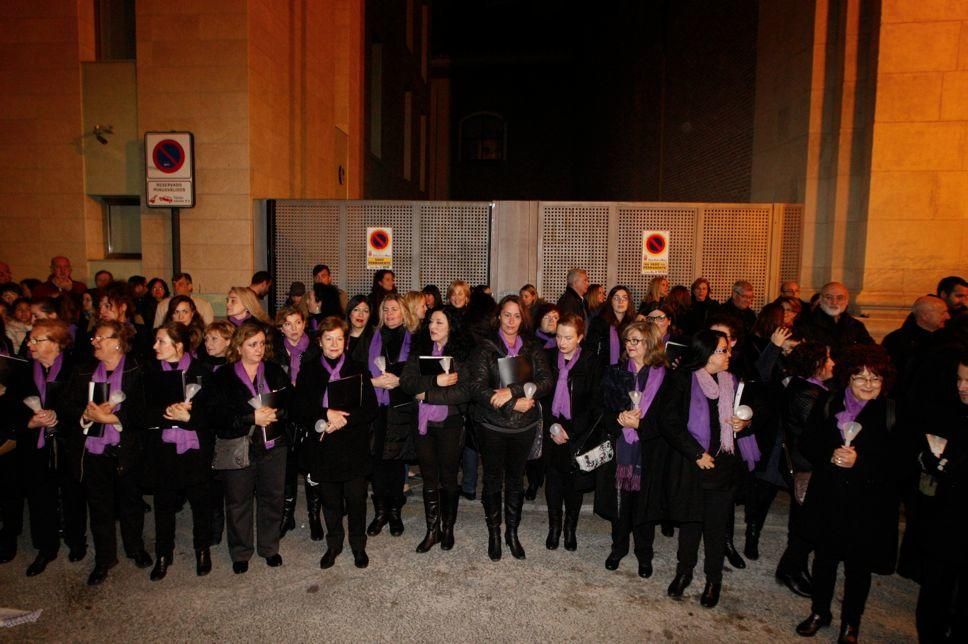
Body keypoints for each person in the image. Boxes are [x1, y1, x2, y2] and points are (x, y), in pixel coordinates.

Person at [795, 345, 899, 642]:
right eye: (860, 378)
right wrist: (829, 454)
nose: (868, 385)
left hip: (868, 503)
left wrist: (860, 462)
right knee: (824, 559)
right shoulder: (829, 403)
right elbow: (807, 443)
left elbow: (898, 460)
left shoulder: (891, 411)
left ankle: (851, 622)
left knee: (858, 567)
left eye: (875, 379)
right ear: (847, 379)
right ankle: (819, 611)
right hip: (829, 497)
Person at [661, 330, 758, 608]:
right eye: (722, 350)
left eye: (728, 350)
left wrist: (744, 424)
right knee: (691, 523)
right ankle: (684, 572)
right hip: (694, 464)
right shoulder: (683, 379)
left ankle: (714, 580)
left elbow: (749, 413)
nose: (728, 355)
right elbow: (669, 421)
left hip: (724, 464)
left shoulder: (733, 381)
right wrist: (695, 453)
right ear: (706, 354)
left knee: (716, 527)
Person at [63, 319, 150, 585]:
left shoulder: (138, 370)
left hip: (127, 449)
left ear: (117, 342)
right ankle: (104, 559)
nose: (95, 342)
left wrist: (114, 418)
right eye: (94, 338)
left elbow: (144, 411)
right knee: (99, 507)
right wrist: (87, 414)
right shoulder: (82, 371)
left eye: (100, 338)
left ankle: (135, 548)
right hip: (92, 450)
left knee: (131, 503)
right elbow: (67, 406)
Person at [467, 295, 553, 560]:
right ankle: (494, 533)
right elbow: (477, 388)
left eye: (517, 315)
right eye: (507, 315)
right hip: (492, 424)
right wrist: (510, 405)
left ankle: (511, 533)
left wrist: (514, 392)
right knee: (492, 480)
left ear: (523, 318)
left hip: (523, 427)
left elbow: (546, 380)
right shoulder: (485, 348)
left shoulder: (532, 347)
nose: (512, 321)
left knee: (516, 481)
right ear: (498, 317)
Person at [294, 317, 378, 569]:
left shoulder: (359, 368)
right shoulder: (309, 370)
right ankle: (334, 544)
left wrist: (343, 419)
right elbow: (299, 409)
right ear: (319, 342)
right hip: (323, 445)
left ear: (346, 341)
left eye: (339, 338)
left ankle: (358, 545)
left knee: (356, 499)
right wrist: (325, 414)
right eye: (328, 338)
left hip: (353, 444)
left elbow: (371, 409)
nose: (334, 344)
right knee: (330, 500)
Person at [211, 321, 290, 574]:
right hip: (238, 444)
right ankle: (241, 551)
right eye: (252, 344)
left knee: (273, 498)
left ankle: (269, 547)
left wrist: (276, 413)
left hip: (273, 444)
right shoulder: (224, 375)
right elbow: (218, 415)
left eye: (262, 344)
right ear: (239, 346)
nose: (259, 349)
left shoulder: (275, 370)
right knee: (237, 501)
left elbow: (292, 402)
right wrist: (250, 418)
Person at [143, 322, 213, 580]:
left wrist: (189, 418)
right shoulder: (150, 373)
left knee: (200, 502)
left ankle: (202, 549)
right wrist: (167, 414)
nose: (155, 346)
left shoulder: (201, 372)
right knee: (163, 503)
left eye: (161, 341)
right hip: (163, 447)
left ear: (179, 345)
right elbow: (142, 411)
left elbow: (211, 414)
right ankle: (163, 552)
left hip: (195, 448)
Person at [596, 321, 665, 575]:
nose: (631, 345)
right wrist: (619, 420)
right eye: (628, 340)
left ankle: (644, 553)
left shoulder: (663, 375)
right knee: (620, 502)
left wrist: (642, 425)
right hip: (621, 446)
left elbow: (669, 417)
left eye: (636, 340)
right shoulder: (616, 372)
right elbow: (602, 409)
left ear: (650, 343)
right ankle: (619, 547)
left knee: (645, 503)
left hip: (649, 449)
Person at [400, 307, 471, 552]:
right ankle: (433, 530)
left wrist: (428, 394)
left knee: (449, 478)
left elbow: (465, 391)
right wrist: (435, 382)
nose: (433, 326)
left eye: (439, 322)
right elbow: (407, 382)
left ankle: (448, 527)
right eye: (431, 321)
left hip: (450, 423)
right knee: (429, 477)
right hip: (423, 423)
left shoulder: (461, 355)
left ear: (451, 326)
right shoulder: (420, 352)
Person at [12, 320, 80, 576]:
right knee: (40, 498)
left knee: (73, 495)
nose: (30, 344)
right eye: (30, 339)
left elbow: (81, 403)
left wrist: (58, 416)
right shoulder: (23, 371)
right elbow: (10, 408)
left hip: (67, 442)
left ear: (55, 343)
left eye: (36, 340)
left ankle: (76, 541)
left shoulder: (75, 369)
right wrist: (30, 421)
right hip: (35, 444)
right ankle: (46, 548)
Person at [913, 354, 968, 643]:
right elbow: (923, 447)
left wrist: (949, 466)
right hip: (945, 519)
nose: (962, 386)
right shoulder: (952, 411)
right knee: (935, 591)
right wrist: (929, 460)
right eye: (959, 379)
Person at [774, 341, 834, 598]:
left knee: (805, 519)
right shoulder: (806, 394)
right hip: (805, 466)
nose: (833, 364)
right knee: (806, 522)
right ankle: (790, 569)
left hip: (805, 464)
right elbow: (816, 435)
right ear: (815, 365)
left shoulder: (811, 388)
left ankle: (794, 567)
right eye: (828, 359)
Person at [539, 313, 601, 552]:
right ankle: (554, 527)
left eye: (568, 337)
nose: (562, 342)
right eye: (558, 336)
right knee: (553, 481)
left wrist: (571, 432)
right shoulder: (547, 357)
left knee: (573, 482)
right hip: (552, 428)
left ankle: (570, 529)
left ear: (580, 337)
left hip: (577, 432)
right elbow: (541, 396)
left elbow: (594, 404)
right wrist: (552, 426)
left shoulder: (591, 362)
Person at [365, 293, 416, 538]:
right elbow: (359, 372)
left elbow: (419, 374)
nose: (389, 314)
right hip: (376, 407)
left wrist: (401, 381)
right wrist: (374, 381)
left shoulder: (414, 339)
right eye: (385, 310)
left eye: (394, 309)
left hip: (401, 406)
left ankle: (395, 512)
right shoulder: (371, 337)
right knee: (377, 462)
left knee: (396, 462)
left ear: (403, 312)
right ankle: (380, 512)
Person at [272, 306, 313, 539]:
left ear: (304, 323)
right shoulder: (276, 352)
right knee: (287, 469)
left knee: (311, 468)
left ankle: (314, 516)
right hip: (286, 416)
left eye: (297, 322)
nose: (294, 329)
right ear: (281, 328)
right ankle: (287, 516)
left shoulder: (315, 349)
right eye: (287, 324)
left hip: (309, 415)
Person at [199, 321, 234, 546]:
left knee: (228, 484)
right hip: (204, 430)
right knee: (209, 484)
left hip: (226, 432)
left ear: (228, 342)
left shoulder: (233, 369)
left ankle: (228, 527)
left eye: (214, 339)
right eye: (206, 339)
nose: (208, 344)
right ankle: (213, 524)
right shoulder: (200, 366)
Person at [795, 282, 874, 358]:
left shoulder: (855, 325)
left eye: (840, 298)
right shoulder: (805, 324)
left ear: (847, 301)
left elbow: (870, 350)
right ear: (820, 300)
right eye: (829, 297)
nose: (834, 302)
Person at [586, 285, 635, 368]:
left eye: (624, 298)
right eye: (616, 298)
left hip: (627, 371)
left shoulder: (633, 324)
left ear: (628, 302)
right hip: (603, 371)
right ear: (611, 301)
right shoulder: (599, 322)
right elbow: (590, 350)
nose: (621, 301)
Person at [345, 295, 373, 361]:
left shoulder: (375, 337)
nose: (361, 315)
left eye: (365, 311)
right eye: (356, 310)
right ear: (349, 313)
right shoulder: (341, 335)